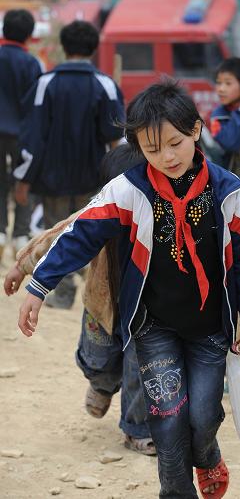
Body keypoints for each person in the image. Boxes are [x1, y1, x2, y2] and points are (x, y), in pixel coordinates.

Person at [17, 80, 240, 499]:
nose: (166, 157)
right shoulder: (128, 190)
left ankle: (206, 456)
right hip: (153, 328)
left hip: (209, 329)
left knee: (203, 416)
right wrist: (39, 287)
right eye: (152, 149)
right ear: (137, 147)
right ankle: (176, 492)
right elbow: (79, 235)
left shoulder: (229, 192)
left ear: (196, 131)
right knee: (167, 418)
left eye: (175, 143)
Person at [4, 145, 156, 455]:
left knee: (140, 368)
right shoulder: (96, 214)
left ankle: (136, 428)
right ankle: (101, 385)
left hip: (145, 311)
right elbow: (59, 236)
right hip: (102, 306)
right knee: (98, 361)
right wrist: (24, 265)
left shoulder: (161, 219)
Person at [14, 20, 125, 309]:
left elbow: (33, 137)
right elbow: (116, 137)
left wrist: (23, 180)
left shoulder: (46, 84)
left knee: (55, 232)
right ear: (93, 48)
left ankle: (63, 294)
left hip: (52, 177)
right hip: (94, 176)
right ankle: (92, 293)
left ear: (63, 47)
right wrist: (119, 180)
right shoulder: (105, 84)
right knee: (91, 233)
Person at [0, 9, 43, 262]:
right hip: (23, 134)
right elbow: (36, 105)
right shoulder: (32, 64)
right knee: (24, 181)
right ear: (29, 36)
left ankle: (0, 233)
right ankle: (20, 235)